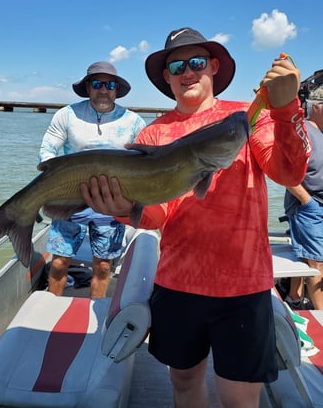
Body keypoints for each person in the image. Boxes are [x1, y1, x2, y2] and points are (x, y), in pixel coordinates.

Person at [80, 27, 311, 408]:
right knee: (185, 384)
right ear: (167, 77)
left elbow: (290, 173)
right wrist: (124, 210)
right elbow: (157, 214)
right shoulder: (154, 134)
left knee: (239, 398)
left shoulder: (246, 117)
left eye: (197, 63)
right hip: (177, 284)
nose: (187, 72)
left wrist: (287, 110)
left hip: (244, 287)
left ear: (214, 67)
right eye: (177, 66)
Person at [38, 61, 146, 298]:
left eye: (110, 84)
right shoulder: (67, 115)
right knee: (58, 263)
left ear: (117, 89)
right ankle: (52, 307)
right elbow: (47, 150)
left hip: (111, 204)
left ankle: (95, 310)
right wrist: (53, 180)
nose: (103, 90)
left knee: (104, 265)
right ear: (88, 87)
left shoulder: (134, 122)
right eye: (97, 84)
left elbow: (144, 163)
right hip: (70, 199)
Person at [284, 98, 323, 310]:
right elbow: (284, 171)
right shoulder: (303, 131)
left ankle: (294, 298)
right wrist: (307, 202)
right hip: (309, 206)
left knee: (309, 257)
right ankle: (321, 319)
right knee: (317, 264)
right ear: (315, 106)